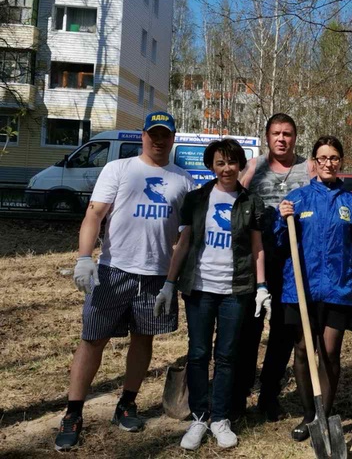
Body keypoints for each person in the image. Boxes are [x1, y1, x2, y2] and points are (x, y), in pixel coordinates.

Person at [55, 112, 195, 452]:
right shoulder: (119, 169)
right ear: (143, 135)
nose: (159, 141)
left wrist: (171, 282)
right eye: (153, 134)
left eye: (165, 135)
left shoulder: (183, 180)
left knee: (143, 338)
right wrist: (85, 258)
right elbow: (94, 214)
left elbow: (185, 237)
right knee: (92, 340)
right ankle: (73, 413)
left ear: (173, 138)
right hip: (114, 271)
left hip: (155, 277)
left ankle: (126, 404)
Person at [154, 138, 269, 450]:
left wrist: (261, 287)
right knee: (199, 353)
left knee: (227, 355)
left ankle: (220, 418)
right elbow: (184, 243)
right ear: (211, 166)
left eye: (232, 162)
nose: (227, 168)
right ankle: (199, 416)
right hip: (200, 289)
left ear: (240, 164)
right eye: (220, 162)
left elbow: (257, 248)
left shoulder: (250, 201)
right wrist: (169, 282)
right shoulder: (196, 199)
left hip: (236, 289)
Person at [275, 135, 352, 442]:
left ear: (340, 161)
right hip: (301, 289)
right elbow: (280, 244)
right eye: (322, 158)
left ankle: (325, 413)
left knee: (330, 352)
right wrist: (281, 220)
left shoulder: (351, 203)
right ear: (314, 162)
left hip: (338, 289)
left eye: (333, 158)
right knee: (303, 351)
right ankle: (309, 416)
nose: (328, 163)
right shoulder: (298, 199)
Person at [234, 113, 313, 420]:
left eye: (288, 134)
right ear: (267, 137)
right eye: (277, 133)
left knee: (282, 333)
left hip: (291, 264)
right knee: (248, 330)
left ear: (295, 137)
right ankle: (239, 396)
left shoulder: (308, 169)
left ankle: (269, 396)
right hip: (255, 262)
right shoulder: (253, 168)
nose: (282, 139)